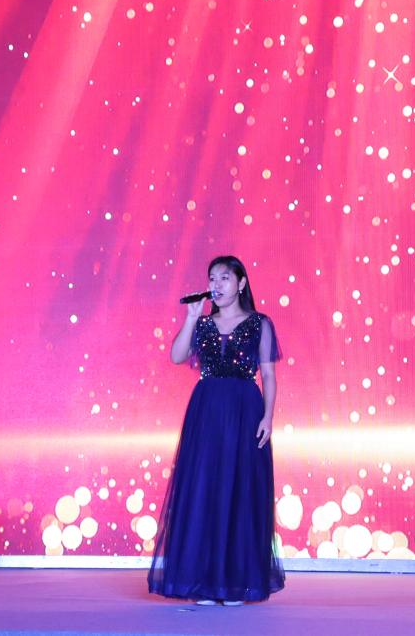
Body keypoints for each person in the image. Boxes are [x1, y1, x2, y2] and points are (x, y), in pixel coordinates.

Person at [148, 255, 286, 605]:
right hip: (207, 412)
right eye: (212, 278)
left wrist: (268, 417)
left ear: (241, 283)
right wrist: (191, 317)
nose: (217, 284)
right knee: (204, 490)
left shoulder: (259, 323)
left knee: (240, 491)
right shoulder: (204, 324)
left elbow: (268, 374)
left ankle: (235, 582)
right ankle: (204, 581)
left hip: (244, 411)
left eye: (224, 277)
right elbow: (177, 356)